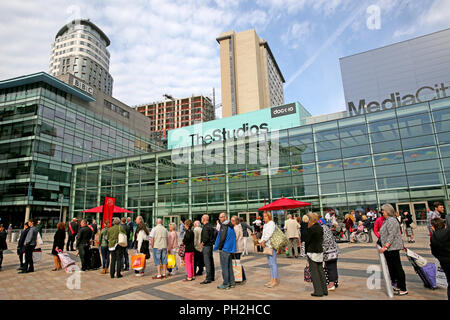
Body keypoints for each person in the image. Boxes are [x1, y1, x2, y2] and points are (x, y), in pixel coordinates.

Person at [379, 203, 408, 296]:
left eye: (383, 210)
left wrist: (386, 246)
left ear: (387, 211)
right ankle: (397, 285)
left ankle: (403, 288)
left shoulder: (391, 220)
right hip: (389, 249)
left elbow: (392, 234)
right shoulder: (387, 220)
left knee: (397, 267)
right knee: (392, 268)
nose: (381, 212)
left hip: (392, 248)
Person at [305, 212, 328, 297]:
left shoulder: (311, 229)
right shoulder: (320, 227)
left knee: (314, 272)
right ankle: (324, 289)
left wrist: (305, 252)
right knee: (320, 270)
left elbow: (307, 241)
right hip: (319, 250)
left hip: (312, 251)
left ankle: (318, 291)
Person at [214, 212, 236, 289]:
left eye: (221, 217)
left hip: (224, 249)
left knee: (224, 267)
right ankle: (232, 282)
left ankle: (226, 283)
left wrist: (219, 247)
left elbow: (222, 238)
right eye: (219, 217)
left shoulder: (224, 226)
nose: (220, 219)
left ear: (225, 217)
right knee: (229, 266)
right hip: (229, 249)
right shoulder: (230, 226)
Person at [430, 218, 450, 300]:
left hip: (445, 262)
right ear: (444, 225)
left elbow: (434, 252)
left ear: (433, 227)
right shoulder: (448, 232)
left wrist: (440, 258)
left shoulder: (433, 237)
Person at [319, 219, 339, 291]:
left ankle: (331, 284)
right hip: (334, 250)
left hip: (328, 252)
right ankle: (335, 282)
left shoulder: (321, 229)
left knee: (330, 268)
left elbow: (322, 241)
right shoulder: (326, 227)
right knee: (333, 267)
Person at [260, 211, 278, 288]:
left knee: (273, 263)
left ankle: (275, 280)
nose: (264, 218)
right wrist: (261, 241)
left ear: (269, 216)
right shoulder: (265, 224)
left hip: (271, 245)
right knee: (270, 264)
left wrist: (264, 241)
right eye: (263, 216)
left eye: (266, 216)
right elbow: (263, 234)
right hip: (266, 245)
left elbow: (269, 233)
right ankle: (271, 279)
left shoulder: (271, 223)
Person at [200, 214, 216, 284]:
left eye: (202, 218)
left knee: (207, 262)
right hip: (210, 246)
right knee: (210, 261)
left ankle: (208, 278)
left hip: (206, 246)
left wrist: (202, 243)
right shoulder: (211, 226)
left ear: (204, 219)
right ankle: (212, 276)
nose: (201, 219)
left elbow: (206, 237)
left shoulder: (206, 227)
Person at [231, 216, 246, 284]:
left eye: (232, 220)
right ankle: (242, 277)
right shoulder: (238, 227)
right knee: (237, 262)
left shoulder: (236, 228)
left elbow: (235, 238)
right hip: (238, 247)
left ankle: (240, 277)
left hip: (237, 247)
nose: (231, 222)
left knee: (237, 262)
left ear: (235, 221)